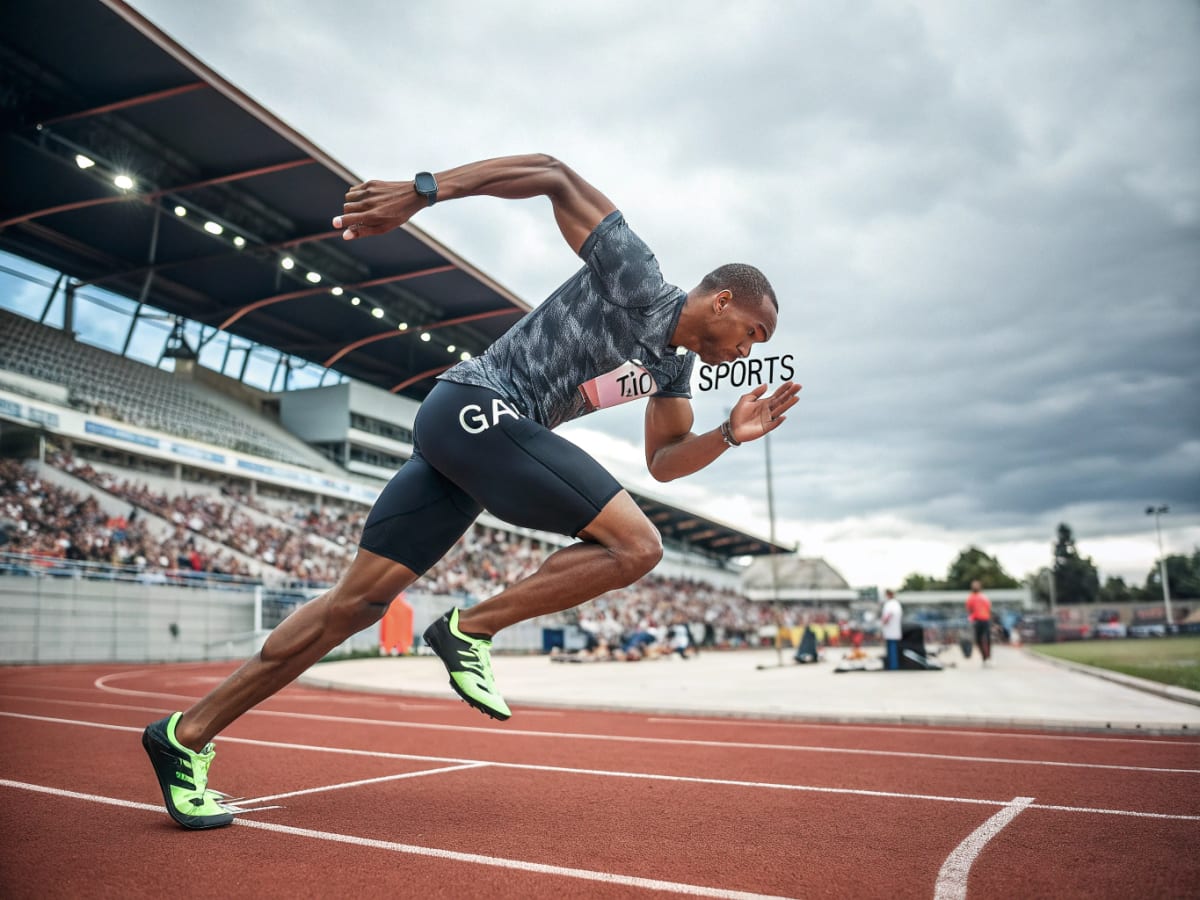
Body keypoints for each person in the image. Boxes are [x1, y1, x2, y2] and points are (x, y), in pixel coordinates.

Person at [141, 153, 801, 829]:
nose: (749, 352)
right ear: (722, 301)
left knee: (354, 605)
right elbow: (552, 173)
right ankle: (469, 629)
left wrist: (726, 434)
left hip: (470, 451)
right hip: (475, 406)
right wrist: (423, 193)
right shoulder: (637, 276)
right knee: (637, 546)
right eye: (754, 333)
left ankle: (185, 734)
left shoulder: (670, 369)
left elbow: (662, 461)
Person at [966, 580, 993, 666]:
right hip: (977, 620)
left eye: (977, 585)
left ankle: (988, 657)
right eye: (974, 585)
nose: (975, 587)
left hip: (985, 620)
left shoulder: (984, 597)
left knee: (987, 639)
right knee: (978, 640)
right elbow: (969, 609)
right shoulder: (970, 598)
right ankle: (984, 658)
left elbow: (989, 608)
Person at [880, 589, 903, 670]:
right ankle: (893, 665)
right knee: (892, 648)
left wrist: (884, 622)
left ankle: (893, 666)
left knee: (892, 649)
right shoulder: (896, 603)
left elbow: (889, 614)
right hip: (894, 629)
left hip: (890, 629)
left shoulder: (890, 604)